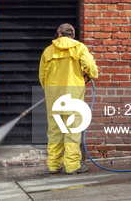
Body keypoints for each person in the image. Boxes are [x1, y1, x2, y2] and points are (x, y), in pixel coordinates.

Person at [39, 23, 98, 175]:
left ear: (58, 34)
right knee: (72, 131)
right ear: (72, 35)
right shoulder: (79, 48)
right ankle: (72, 166)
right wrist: (89, 74)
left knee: (54, 132)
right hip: (73, 97)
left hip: (54, 98)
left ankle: (53, 165)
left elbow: (42, 77)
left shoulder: (48, 51)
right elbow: (90, 66)